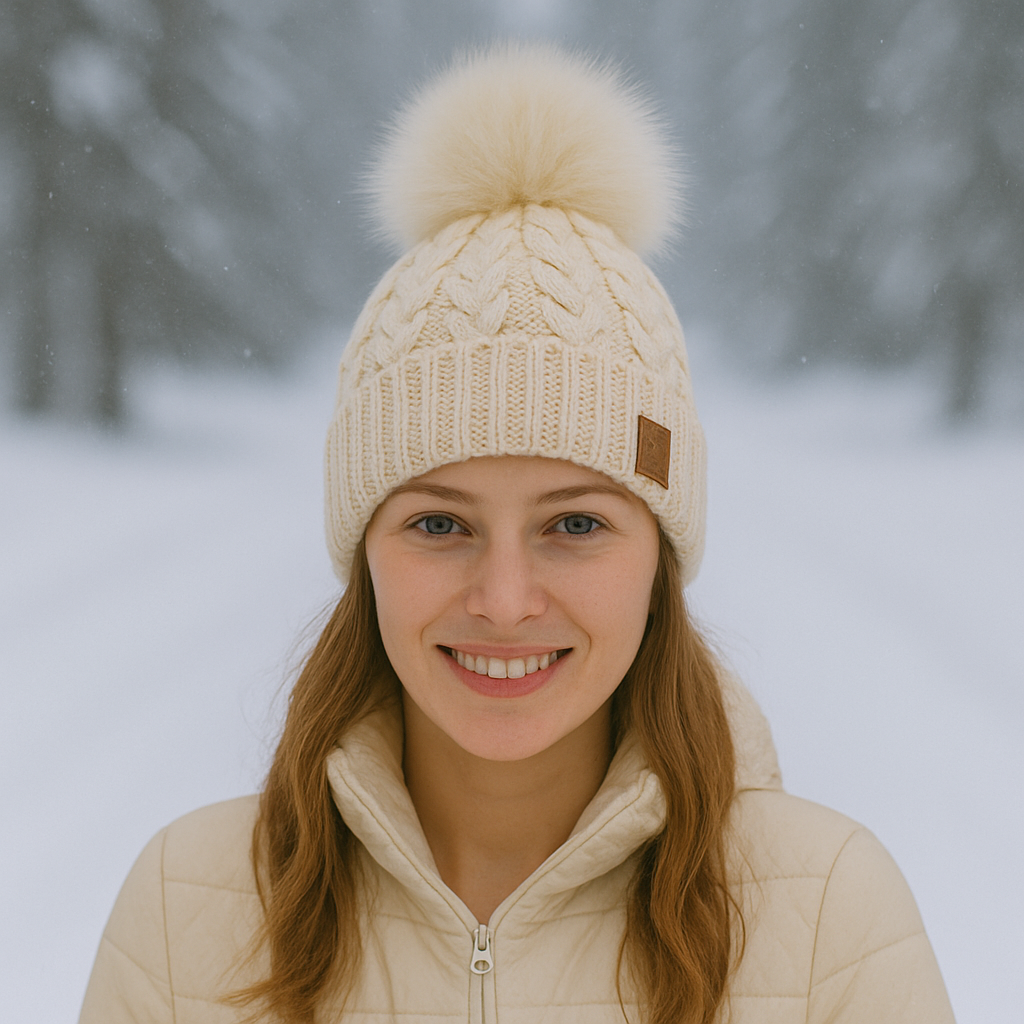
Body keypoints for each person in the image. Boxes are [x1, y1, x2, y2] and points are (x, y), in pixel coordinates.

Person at [79, 43, 955, 1024]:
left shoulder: (830, 916)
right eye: (439, 523)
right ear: (363, 548)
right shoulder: (185, 910)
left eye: (575, 522)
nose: (503, 598)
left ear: (659, 557)